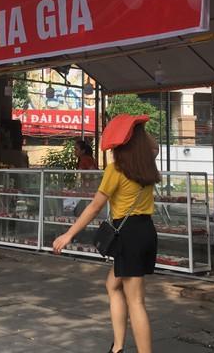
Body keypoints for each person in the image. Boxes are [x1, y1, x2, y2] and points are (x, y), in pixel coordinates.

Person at [53, 115, 160, 353]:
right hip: (146, 231)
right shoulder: (147, 164)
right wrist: (139, 128)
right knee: (112, 285)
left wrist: (69, 234)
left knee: (136, 301)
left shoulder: (116, 169)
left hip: (129, 234)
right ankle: (117, 347)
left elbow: (94, 207)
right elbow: (154, 147)